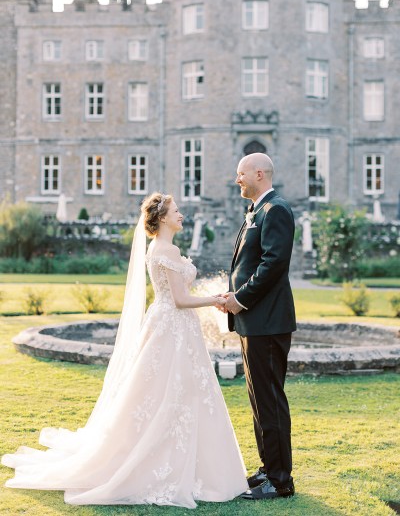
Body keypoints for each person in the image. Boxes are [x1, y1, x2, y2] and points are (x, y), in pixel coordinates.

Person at [2, 193, 248, 508]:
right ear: (162, 218)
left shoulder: (157, 248)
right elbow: (180, 299)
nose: (182, 214)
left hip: (168, 325)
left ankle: (181, 457)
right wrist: (215, 299)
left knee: (165, 392)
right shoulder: (167, 249)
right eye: (176, 211)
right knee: (174, 392)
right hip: (173, 325)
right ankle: (175, 463)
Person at [222, 152, 296, 501]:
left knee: (270, 400)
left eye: (241, 174)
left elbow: (273, 264)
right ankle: (268, 468)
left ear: (260, 174)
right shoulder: (256, 210)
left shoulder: (275, 209)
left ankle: (280, 480)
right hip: (255, 321)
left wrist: (242, 297)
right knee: (259, 400)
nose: (237, 179)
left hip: (268, 321)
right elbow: (249, 262)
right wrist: (233, 293)